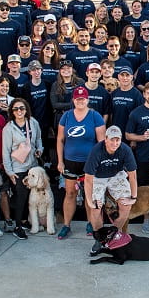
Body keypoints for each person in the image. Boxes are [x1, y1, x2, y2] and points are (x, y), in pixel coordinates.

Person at [56, 86, 106, 239]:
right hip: (70, 162)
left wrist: (99, 162)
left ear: (87, 100)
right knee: (70, 193)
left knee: (89, 195)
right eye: (77, 99)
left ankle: (90, 223)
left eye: (83, 99)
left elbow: (102, 142)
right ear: (73, 100)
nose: (80, 101)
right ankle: (66, 225)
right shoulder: (66, 116)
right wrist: (60, 161)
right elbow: (60, 139)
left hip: (89, 163)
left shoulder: (95, 116)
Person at [84, 126, 139, 241]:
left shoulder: (125, 149)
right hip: (98, 177)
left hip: (116, 174)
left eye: (117, 140)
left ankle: (113, 234)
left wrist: (133, 197)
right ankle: (99, 238)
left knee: (126, 205)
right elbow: (88, 179)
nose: (115, 143)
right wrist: (90, 201)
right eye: (112, 140)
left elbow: (132, 175)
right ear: (106, 139)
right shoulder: (97, 150)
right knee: (95, 206)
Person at [1, 98, 42, 240]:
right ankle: (18, 226)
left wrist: (40, 149)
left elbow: (38, 140)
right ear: (12, 111)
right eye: (16, 109)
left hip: (32, 165)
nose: (19, 111)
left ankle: (25, 221)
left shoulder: (33, 122)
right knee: (20, 196)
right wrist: (9, 172)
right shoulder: (8, 128)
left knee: (31, 196)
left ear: (26, 110)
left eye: (22, 108)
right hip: (17, 167)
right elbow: (5, 151)